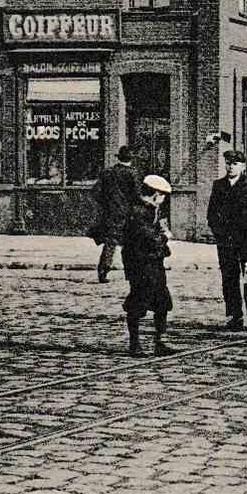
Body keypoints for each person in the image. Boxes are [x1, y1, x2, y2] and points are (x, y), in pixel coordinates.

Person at [122, 174, 177, 357]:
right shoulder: (137, 212)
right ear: (154, 194)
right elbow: (147, 238)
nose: (162, 201)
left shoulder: (152, 211)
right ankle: (134, 343)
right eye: (161, 196)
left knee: (162, 300)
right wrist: (164, 237)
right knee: (139, 301)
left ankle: (160, 341)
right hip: (140, 264)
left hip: (154, 262)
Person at [207, 149, 247, 331]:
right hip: (226, 242)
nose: (231, 167)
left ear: (243, 166)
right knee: (229, 279)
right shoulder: (219, 185)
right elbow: (211, 214)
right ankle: (234, 315)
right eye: (228, 163)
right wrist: (219, 234)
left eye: (235, 164)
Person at [91, 146, 141, 283]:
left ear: (119, 158)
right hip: (127, 214)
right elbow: (137, 196)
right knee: (129, 244)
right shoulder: (132, 173)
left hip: (110, 213)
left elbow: (96, 192)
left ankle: (103, 271)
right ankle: (130, 273)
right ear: (131, 159)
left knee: (110, 243)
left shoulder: (107, 172)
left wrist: (108, 204)